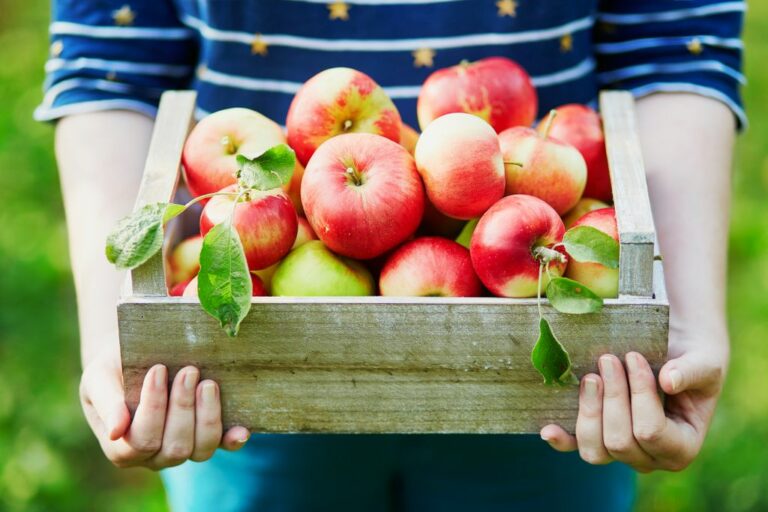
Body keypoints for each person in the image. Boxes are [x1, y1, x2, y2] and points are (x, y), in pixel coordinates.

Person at [37, 1, 744, 510]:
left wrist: (680, 316)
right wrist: (120, 335)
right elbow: (113, 63)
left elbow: (674, 39)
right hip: (244, 357)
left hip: (550, 358)